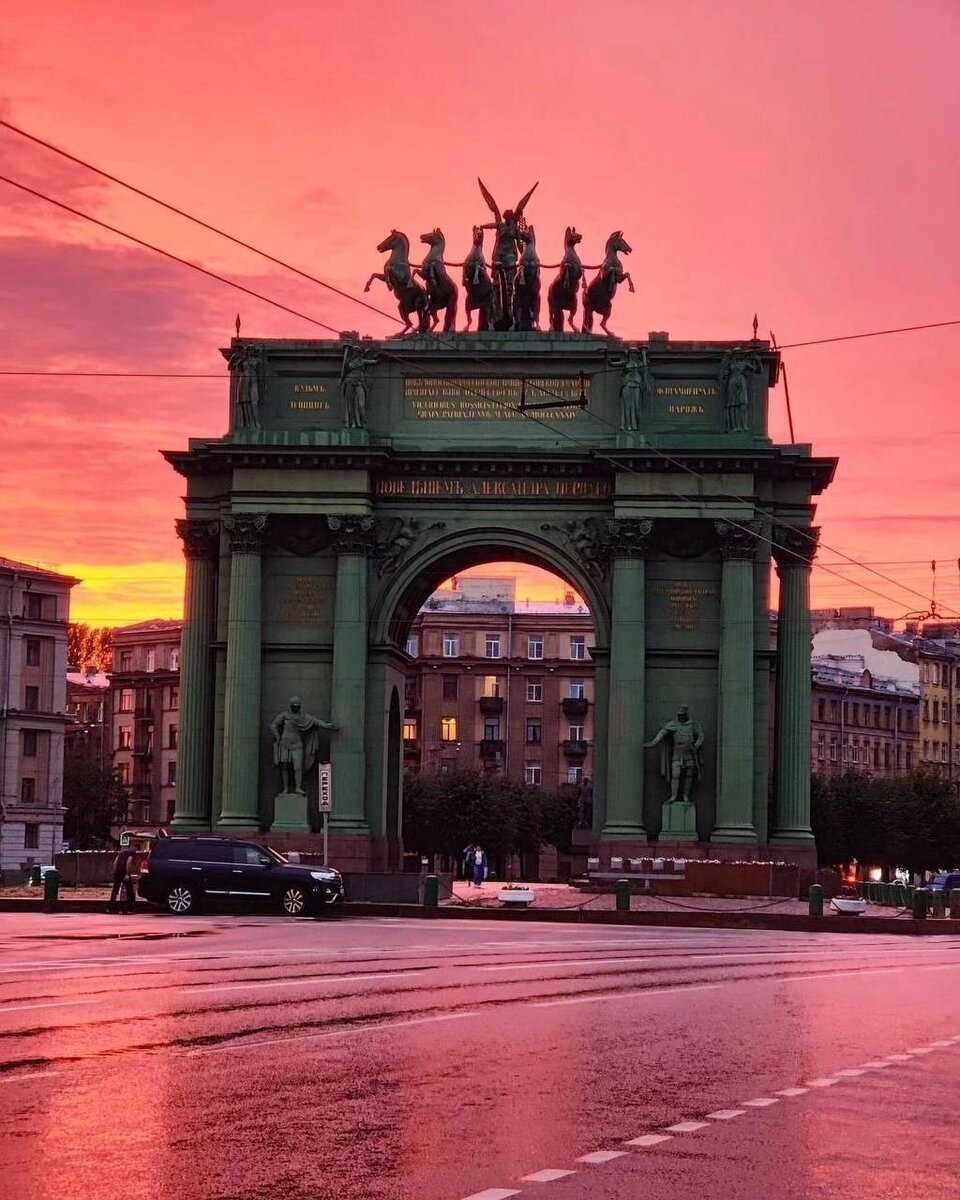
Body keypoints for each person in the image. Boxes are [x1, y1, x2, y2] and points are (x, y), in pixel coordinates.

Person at [270, 697, 339, 795]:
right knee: (284, 766)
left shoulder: (303, 717)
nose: (295, 709)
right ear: (290, 706)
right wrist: (278, 738)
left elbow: (315, 721)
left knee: (298, 766)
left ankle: (298, 787)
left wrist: (326, 725)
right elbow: (273, 725)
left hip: (297, 744)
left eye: (297, 707)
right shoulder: (284, 715)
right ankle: (285, 788)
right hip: (285, 743)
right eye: (294, 707)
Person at [645, 705, 705, 804]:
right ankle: (674, 795)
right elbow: (663, 732)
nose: (680, 717)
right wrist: (654, 741)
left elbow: (700, 734)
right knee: (675, 774)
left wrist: (696, 745)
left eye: (682, 715)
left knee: (688, 775)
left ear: (686, 715)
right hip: (677, 752)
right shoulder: (673, 724)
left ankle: (685, 795)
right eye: (679, 715)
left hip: (689, 752)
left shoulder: (693, 725)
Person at [108, 844, 136, 913]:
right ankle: (129, 909)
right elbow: (128, 862)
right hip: (124, 873)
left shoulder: (122, 852)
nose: (136, 849)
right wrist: (127, 874)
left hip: (118, 872)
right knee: (130, 892)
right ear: (133, 847)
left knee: (115, 890)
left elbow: (115, 861)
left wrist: (115, 870)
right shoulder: (131, 853)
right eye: (135, 847)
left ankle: (110, 908)